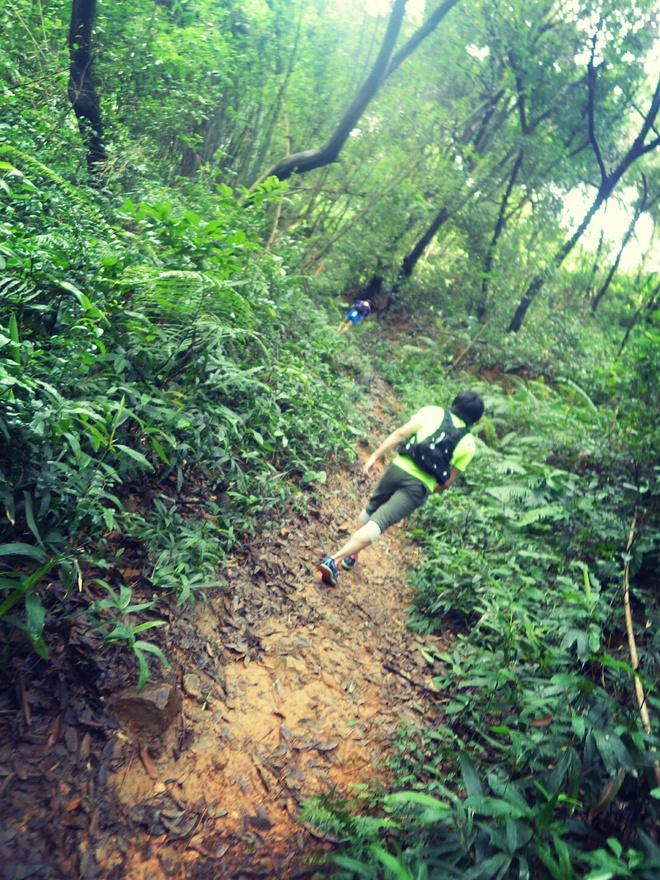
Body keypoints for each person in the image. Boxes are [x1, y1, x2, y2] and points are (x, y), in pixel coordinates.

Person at [318, 391, 484, 586]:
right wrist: (427, 489)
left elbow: (400, 434)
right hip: (418, 486)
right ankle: (335, 559)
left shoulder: (433, 412)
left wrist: (375, 456)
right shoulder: (469, 444)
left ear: (456, 403)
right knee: (379, 522)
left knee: (371, 509)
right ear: (475, 418)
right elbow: (447, 483)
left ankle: (352, 556)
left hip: (397, 469)